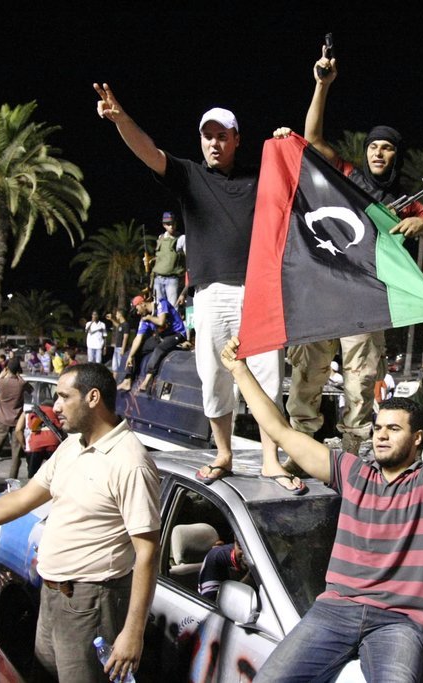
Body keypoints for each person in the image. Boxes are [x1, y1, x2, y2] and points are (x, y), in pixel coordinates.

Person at [222, 304, 423, 682]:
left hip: (397, 623)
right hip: (334, 613)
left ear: (418, 439)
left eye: (394, 429)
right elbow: (282, 432)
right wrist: (239, 371)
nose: (382, 435)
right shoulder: (352, 473)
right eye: (378, 428)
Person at [0, 363, 161, 683]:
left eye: (64, 397)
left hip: (90, 604)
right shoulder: (72, 446)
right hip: (52, 596)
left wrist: (133, 632)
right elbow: (22, 498)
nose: (56, 406)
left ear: (93, 398)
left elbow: (148, 553)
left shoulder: (130, 463)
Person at [94, 82, 295, 491]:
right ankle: (224, 454)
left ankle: (271, 461)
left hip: (260, 293)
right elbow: (148, 151)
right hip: (211, 294)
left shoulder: (261, 176)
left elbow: (300, 175)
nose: (214, 143)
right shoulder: (189, 175)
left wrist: (286, 142)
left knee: (267, 379)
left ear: (237, 139)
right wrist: (121, 120)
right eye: (208, 136)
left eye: (222, 136)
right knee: (214, 376)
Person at [281, 45, 423, 457]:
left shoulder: (407, 201)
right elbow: (312, 140)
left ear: (396, 155)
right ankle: (301, 450)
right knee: (308, 374)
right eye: (374, 146)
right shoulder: (347, 177)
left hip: (366, 300)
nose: (378, 152)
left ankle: (352, 454)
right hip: (325, 291)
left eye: (387, 147)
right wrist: (322, 85)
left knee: (361, 382)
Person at [119, 292, 186, 392]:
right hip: (162, 337)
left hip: (177, 334)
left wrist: (149, 318)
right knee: (136, 349)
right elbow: (138, 338)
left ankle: (147, 381)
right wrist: (130, 356)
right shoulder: (144, 319)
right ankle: (127, 380)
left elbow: (161, 322)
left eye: (137, 309)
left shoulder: (161, 303)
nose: (137, 313)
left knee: (159, 348)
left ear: (142, 304)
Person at [0, 357, 27, 488]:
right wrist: (19, 376)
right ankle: (11, 484)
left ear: (7, 368)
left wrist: (2, 376)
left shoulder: (1, 382)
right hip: (16, 421)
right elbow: (30, 390)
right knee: (16, 454)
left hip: (2, 419)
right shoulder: (21, 383)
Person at [18, 400, 62, 478]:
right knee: (54, 471)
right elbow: (60, 426)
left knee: (33, 472)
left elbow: (32, 428)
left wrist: (23, 445)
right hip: (53, 442)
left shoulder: (34, 412)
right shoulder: (55, 411)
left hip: (36, 443)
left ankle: (32, 483)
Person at [151, 211, 186, 306]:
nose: (171, 226)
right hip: (158, 278)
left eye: (173, 223)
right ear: (164, 225)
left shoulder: (181, 239)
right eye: (168, 224)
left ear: (176, 223)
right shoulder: (161, 238)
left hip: (172, 279)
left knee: (173, 307)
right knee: (160, 308)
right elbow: (161, 257)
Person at [107, 310, 130, 377]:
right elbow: (117, 326)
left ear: (120, 314)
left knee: (120, 366)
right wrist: (111, 319)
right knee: (115, 366)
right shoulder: (121, 325)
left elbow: (125, 338)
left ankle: (120, 379)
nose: (116, 316)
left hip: (121, 348)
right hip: (116, 347)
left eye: (117, 314)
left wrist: (123, 349)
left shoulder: (126, 325)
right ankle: (114, 380)